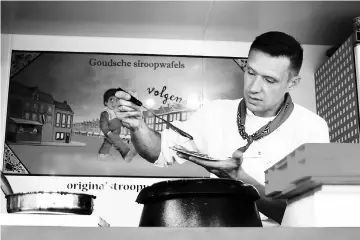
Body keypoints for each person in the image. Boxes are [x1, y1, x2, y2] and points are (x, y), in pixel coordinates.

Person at [113, 31, 330, 225]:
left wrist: (238, 178)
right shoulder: (214, 113)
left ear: (292, 83)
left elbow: (309, 217)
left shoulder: (311, 128)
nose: (254, 88)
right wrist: (137, 126)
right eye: (251, 72)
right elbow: (159, 151)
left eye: (269, 80)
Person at [98, 88, 137, 162]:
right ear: (106, 102)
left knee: (107, 144)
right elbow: (103, 125)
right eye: (111, 100)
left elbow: (121, 121)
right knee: (118, 142)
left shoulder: (116, 112)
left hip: (116, 132)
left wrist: (126, 124)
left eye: (116, 100)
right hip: (110, 133)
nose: (114, 103)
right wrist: (108, 132)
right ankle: (126, 154)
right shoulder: (106, 113)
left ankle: (102, 155)